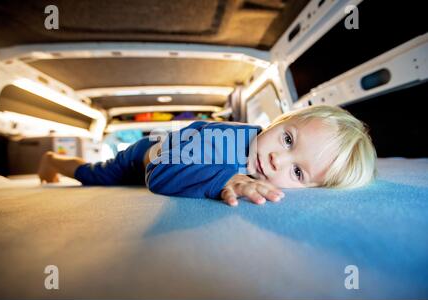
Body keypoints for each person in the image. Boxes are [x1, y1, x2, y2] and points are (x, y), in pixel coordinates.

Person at [38, 105, 377, 206]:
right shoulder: (226, 137)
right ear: (279, 122)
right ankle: (53, 159)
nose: (277, 160)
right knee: (93, 175)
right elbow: (159, 176)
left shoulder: (263, 164)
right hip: (144, 157)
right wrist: (223, 179)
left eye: (298, 173)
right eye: (287, 139)